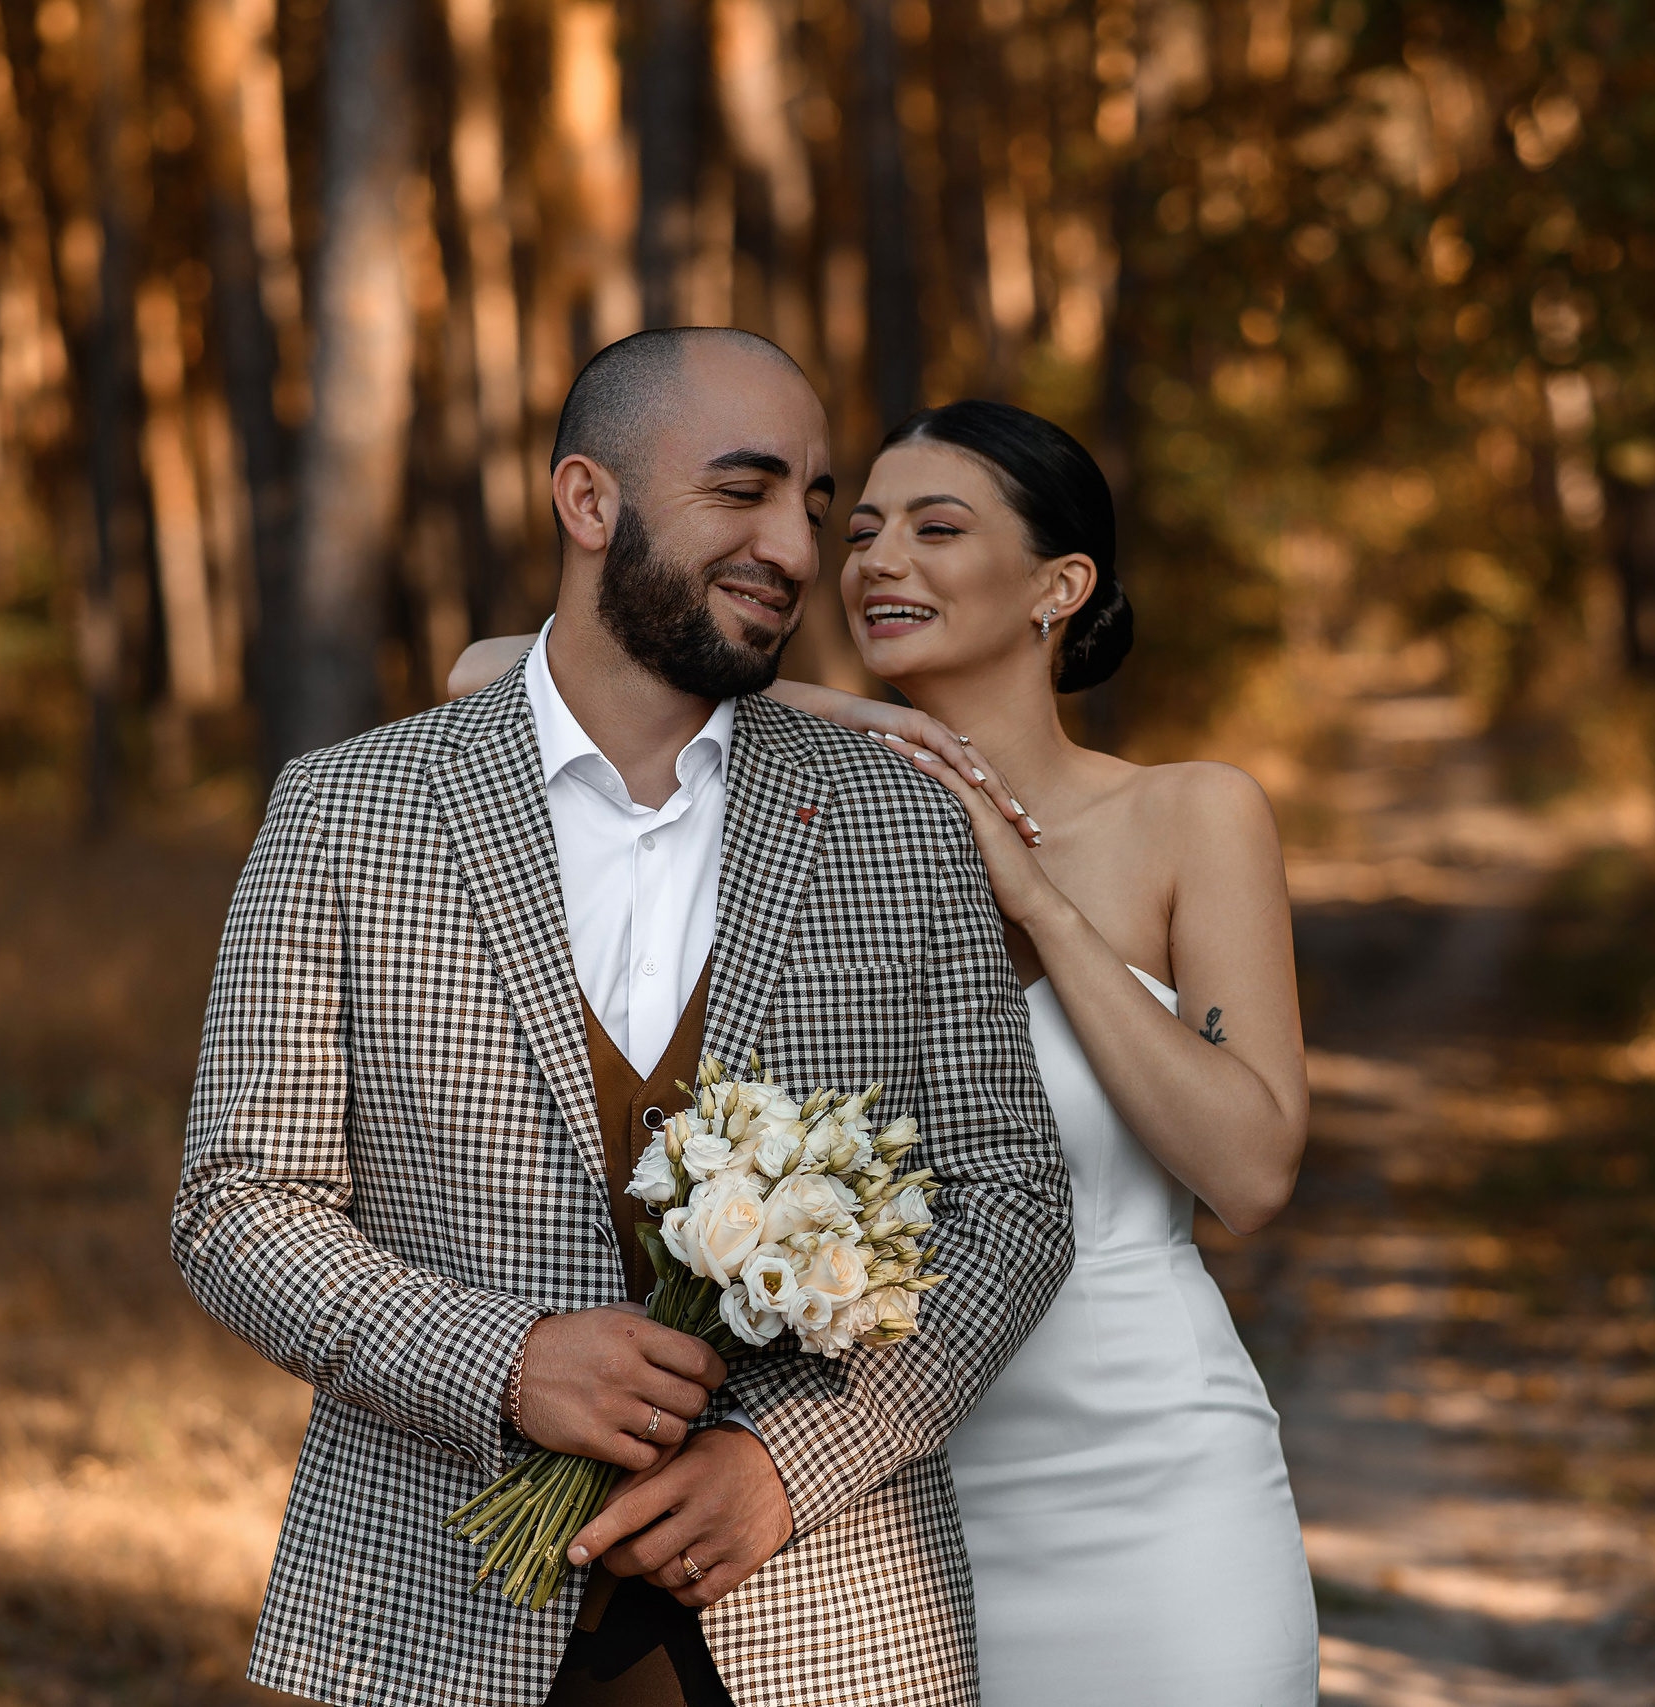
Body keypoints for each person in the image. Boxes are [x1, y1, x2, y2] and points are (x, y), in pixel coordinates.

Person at [174, 329, 1072, 1707]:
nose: (793, 546)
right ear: (590, 502)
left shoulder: (895, 824)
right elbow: (239, 1202)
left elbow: (1012, 1199)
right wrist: (504, 1363)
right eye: (744, 490)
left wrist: (791, 1466)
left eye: (814, 506)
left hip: (825, 1625)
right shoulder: (349, 813)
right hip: (428, 1613)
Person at [451, 398, 1318, 1704]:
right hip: (874, 1509)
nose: (874, 560)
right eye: (857, 531)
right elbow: (478, 671)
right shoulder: (801, 800)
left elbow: (1249, 1172)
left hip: (1154, 1496)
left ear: (1060, 586)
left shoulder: (1190, 813)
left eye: (936, 526)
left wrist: (1034, 900)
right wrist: (810, 709)